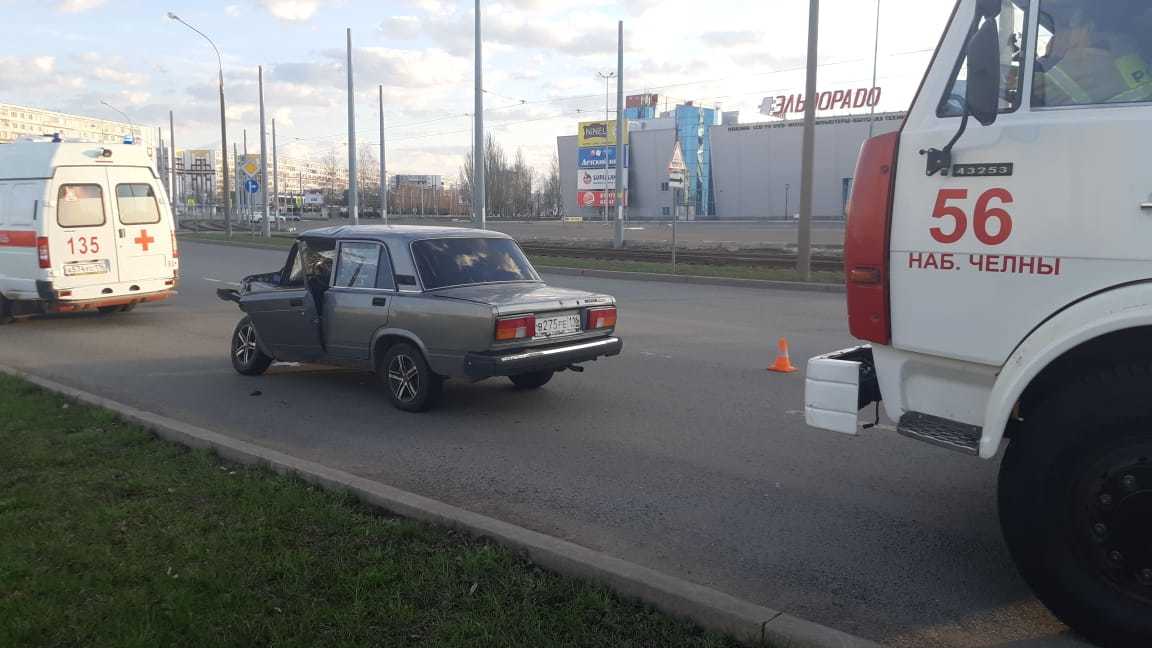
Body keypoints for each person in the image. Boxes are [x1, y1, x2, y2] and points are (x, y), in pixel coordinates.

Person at [1035, 0, 1152, 106]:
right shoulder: (1128, 55)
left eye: (1061, 29)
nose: (1055, 38)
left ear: (1086, 28)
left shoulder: (1082, 63)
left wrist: (1044, 63)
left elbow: (1033, 91)